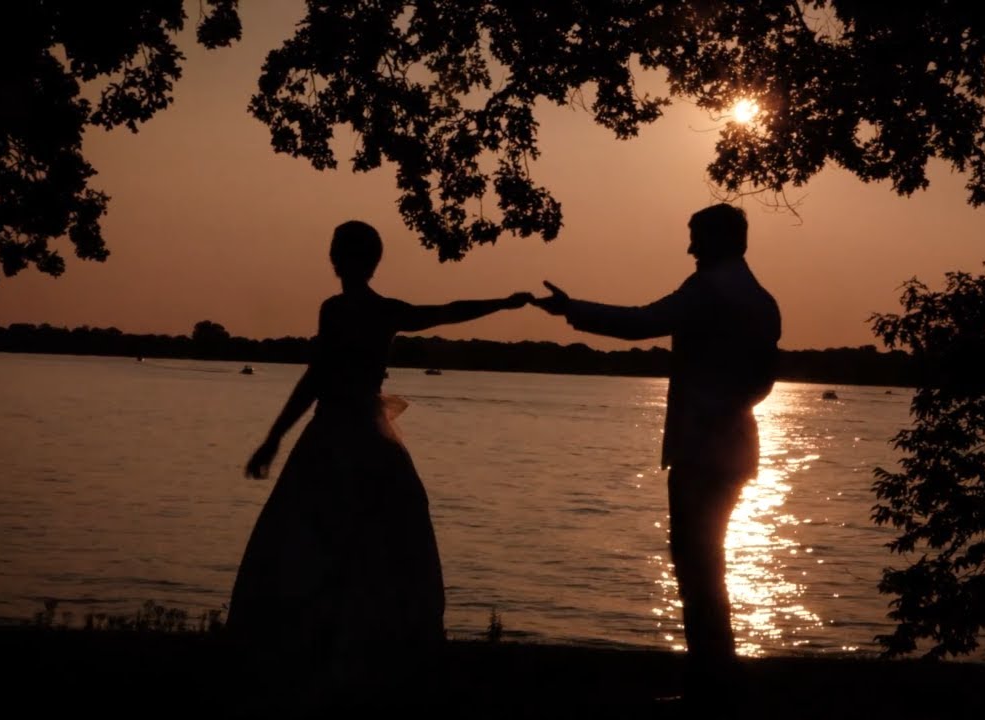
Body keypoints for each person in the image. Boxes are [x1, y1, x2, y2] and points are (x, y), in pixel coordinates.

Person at [227, 220, 531, 708]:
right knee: (347, 545)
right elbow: (441, 314)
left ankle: (343, 656)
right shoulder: (377, 311)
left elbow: (320, 376)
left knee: (339, 543)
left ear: (340, 260)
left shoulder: (344, 309)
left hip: (340, 439)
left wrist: (274, 438)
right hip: (355, 438)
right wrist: (274, 438)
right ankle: (343, 652)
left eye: (338, 253)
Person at [532, 203, 781, 703]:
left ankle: (711, 685)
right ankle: (716, 678)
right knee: (707, 563)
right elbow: (764, 378)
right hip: (734, 448)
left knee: (695, 566)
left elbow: (641, 323)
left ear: (715, 240)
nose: (689, 249)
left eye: (695, 238)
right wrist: (733, 406)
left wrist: (572, 309)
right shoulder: (761, 298)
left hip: (700, 451)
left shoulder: (709, 289)